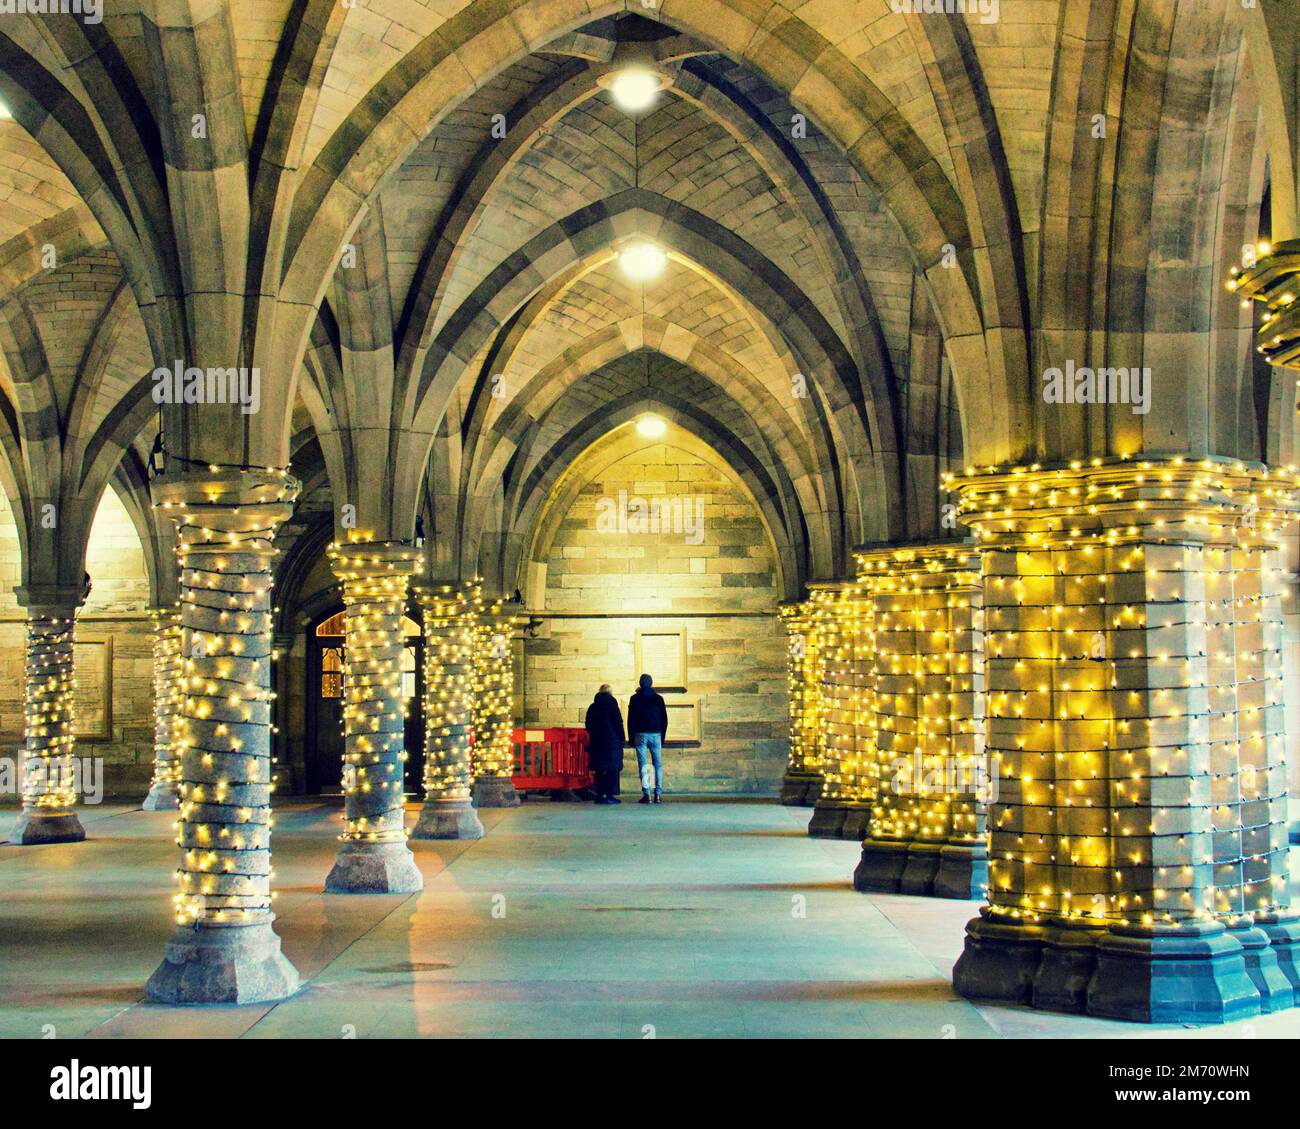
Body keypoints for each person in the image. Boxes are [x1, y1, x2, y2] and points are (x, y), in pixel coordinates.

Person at [627, 673, 668, 804]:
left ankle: (647, 795)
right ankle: (658, 795)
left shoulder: (634, 698)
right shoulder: (658, 699)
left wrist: (631, 738)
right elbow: (664, 720)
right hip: (656, 734)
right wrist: (662, 738)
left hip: (640, 734)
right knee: (658, 765)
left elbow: (631, 720)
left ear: (640, 683)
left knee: (643, 765)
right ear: (651, 683)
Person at [584, 684, 625, 805]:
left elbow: (588, 724)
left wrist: (593, 735)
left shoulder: (593, 707)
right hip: (612, 742)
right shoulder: (612, 705)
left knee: (599, 770)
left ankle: (600, 795)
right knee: (612, 769)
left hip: (597, 742)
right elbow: (618, 723)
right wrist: (621, 738)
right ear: (610, 692)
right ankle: (610, 795)